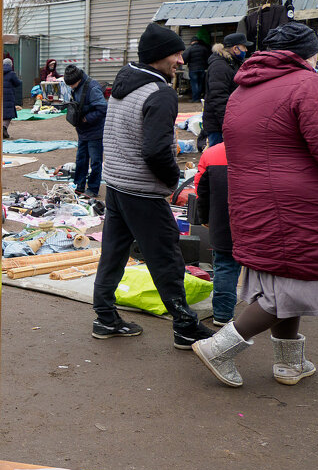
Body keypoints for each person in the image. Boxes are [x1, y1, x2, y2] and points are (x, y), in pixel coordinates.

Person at [191, 22, 318, 387]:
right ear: (306, 54)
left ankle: (289, 363)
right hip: (297, 205)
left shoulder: (244, 88)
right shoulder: (307, 85)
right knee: (295, 284)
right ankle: (220, 347)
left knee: (282, 279)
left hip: (253, 201)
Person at [91, 23, 214, 348]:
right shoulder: (159, 93)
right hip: (141, 192)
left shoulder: (125, 82)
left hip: (116, 186)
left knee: (113, 255)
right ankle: (186, 326)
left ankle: (105, 318)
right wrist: (172, 180)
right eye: (176, 54)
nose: (181, 61)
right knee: (167, 259)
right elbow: (156, 150)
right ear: (160, 56)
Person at [193, 141, 237, 326]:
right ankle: (268, 313)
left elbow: (201, 190)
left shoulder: (212, 154)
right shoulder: (268, 149)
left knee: (225, 266)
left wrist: (204, 218)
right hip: (259, 221)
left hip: (222, 221)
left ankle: (222, 314)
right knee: (265, 269)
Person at [64, 65, 106, 197]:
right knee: (81, 160)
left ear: (78, 79)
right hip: (82, 132)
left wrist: (86, 119)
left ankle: (93, 189)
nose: (71, 87)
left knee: (95, 161)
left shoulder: (92, 88)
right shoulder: (77, 86)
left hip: (95, 131)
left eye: (72, 84)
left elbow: (103, 108)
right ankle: (79, 186)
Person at [202, 32, 250, 147]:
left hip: (227, 120)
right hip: (218, 125)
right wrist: (227, 125)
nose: (246, 50)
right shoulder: (220, 66)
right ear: (235, 48)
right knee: (218, 160)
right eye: (244, 47)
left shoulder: (232, 63)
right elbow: (218, 98)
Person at [184, 32, 211, 102]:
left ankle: (195, 98)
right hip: (202, 69)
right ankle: (199, 97)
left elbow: (184, 59)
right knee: (200, 83)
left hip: (193, 69)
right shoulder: (204, 48)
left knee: (194, 83)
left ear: (192, 42)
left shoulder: (190, 49)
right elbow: (208, 58)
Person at [2, 58, 21, 139]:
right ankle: (4, 127)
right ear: (11, 65)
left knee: (0, 113)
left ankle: (0, 129)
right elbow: (18, 83)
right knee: (8, 114)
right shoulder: (11, 73)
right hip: (9, 96)